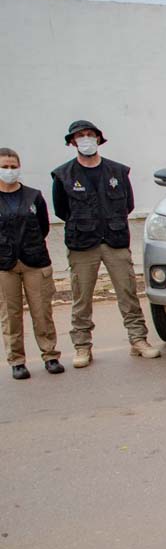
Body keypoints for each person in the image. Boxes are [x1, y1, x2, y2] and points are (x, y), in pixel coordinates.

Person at [51, 120, 160, 368]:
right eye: (80, 136)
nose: (86, 139)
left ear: (99, 139)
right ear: (72, 142)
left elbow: (128, 205)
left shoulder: (117, 172)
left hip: (115, 240)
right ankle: (82, 346)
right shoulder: (63, 175)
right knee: (81, 297)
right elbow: (62, 210)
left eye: (90, 135)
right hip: (83, 243)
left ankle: (138, 339)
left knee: (128, 292)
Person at [0, 148, 62, 380]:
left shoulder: (33, 196)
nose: (9, 171)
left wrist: (29, 246)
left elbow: (43, 226)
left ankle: (50, 355)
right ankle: (17, 360)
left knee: (42, 311)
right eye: (4, 167)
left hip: (34, 261)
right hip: (5, 264)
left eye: (13, 166)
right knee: (10, 314)